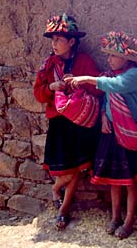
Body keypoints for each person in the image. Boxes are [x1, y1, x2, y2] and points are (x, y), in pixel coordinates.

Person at [66, 31, 137, 239]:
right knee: (115, 180)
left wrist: (87, 79)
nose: (109, 59)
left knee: (130, 181)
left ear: (126, 57)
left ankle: (129, 220)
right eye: (108, 56)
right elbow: (108, 98)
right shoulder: (112, 75)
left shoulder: (133, 76)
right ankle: (115, 217)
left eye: (113, 55)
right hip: (112, 133)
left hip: (129, 134)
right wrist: (105, 117)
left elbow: (115, 87)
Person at [33, 13, 102, 230]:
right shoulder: (49, 65)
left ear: (71, 42)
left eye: (58, 40)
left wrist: (78, 84)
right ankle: (57, 190)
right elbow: (38, 94)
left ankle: (63, 209)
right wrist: (50, 88)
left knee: (76, 169)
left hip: (80, 122)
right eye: (52, 40)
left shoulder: (85, 62)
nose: (54, 44)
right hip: (60, 123)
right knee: (68, 169)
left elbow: (98, 89)